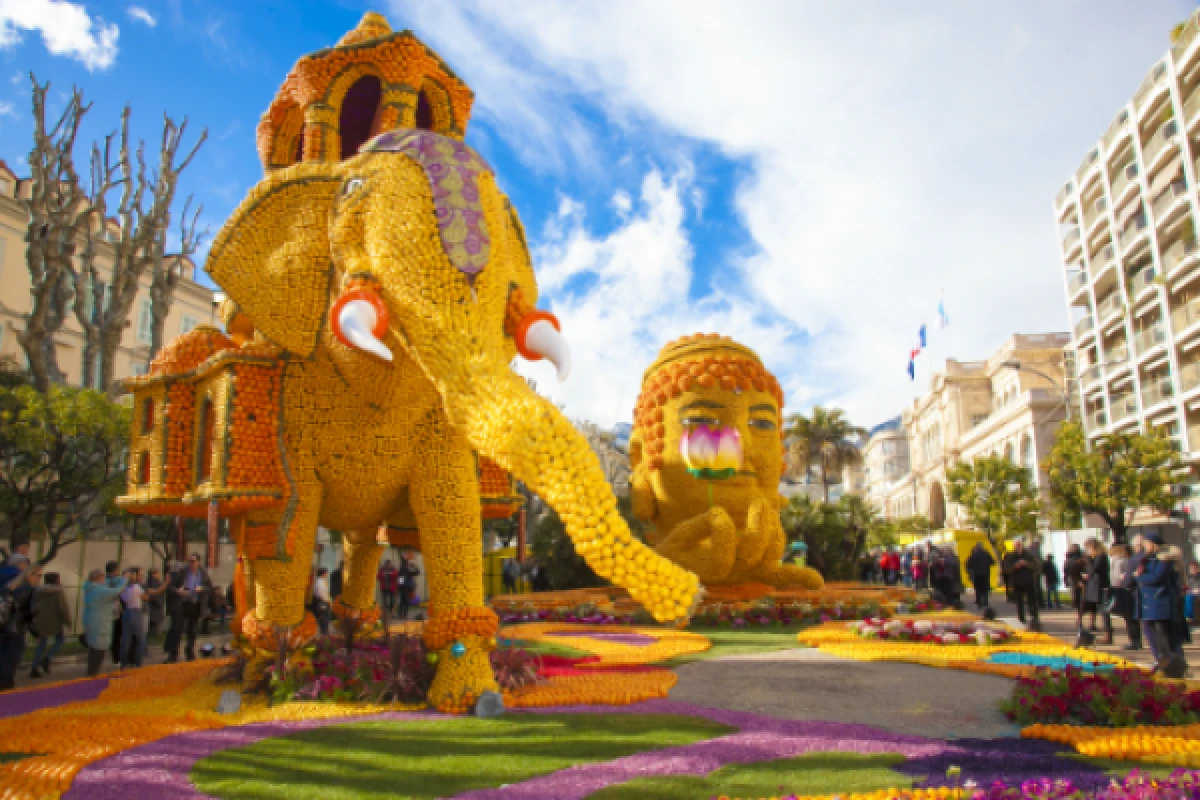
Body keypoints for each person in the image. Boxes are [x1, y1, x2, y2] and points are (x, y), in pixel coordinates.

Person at [1134, 531, 1189, 676]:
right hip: (1150, 603)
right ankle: (1163, 661)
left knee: (1164, 634)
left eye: (1145, 543)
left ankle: (1174, 664)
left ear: (1153, 544)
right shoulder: (1148, 559)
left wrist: (1139, 577)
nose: (1143, 546)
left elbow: (1156, 578)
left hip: (1162, 602)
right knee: (1153, 633)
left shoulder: (1165, 559)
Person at [165, 555, 212, 663]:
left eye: (193, 561)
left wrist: (202, 589)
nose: (191, 563)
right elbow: (170, 587)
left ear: (198, 562)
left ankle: (189, 652)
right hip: (182, 603)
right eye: (189, 561)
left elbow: (209, 588)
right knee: (177, 629)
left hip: (195, 603)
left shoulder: (203, 574)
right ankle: (173, 654)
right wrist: (178, 591)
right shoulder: (181, 572)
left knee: (192, 630)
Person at [83, 568, 127, 677]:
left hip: (92, 620)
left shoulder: (90, 586)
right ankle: (92, 675)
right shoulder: (99, 591)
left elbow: (109, 582)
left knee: (93, 648)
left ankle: (91, 673)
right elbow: (117, 590)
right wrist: (125, 579)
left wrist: (116, 578)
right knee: (99, 649)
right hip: (100, 623)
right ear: (99, 578)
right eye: (103, 578)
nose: (104, 580)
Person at [0, 554, 36, 691]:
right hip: (15, 626)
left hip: (2, 622)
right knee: (12, 655)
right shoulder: (22, 582)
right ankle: (6, 683)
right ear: (21, 565)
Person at [30, 571, 70, 678]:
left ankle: (34, 668)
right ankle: (47, 658)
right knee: (60, 640)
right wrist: (68, 621)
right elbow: (63, 608)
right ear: (56, 580)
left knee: (42, 644)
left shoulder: (37, 590)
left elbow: (32, 605)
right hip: (55, 621)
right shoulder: (58, 591)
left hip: (40, 620)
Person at [1109, 542, 1143, 651]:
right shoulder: (1120, 560)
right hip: (1121, 588)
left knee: (1130, 616)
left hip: (1125, 589)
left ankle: (1135, 641)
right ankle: (1134, 640)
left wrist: (1121, 579)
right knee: (1129, 617)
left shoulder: (1123, 561)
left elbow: (1124, 575)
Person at [1002, 539, 1041, 631]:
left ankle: (1034, 618)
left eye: (1019, 545)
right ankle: (1021, 618)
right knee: (1019, 602)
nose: (1018, 546)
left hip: (1029, 581)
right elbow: (1006, 569)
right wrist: (1015, 566)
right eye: (1016, 545)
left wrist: (1026, 564)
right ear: (1014, 546)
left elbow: (1036, 566)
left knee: (1032, 601)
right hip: (1017, 582)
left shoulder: (1028, 555)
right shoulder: (1010, 556)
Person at [1081, 538, 1114, 645]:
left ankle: (1108, 635)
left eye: (1088, 548)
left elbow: (1093, 569)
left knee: (1104, 612)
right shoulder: (1096, 557)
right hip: (1096, 588)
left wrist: (1088, 559)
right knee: (1102, 611)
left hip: (1101, 588)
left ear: (1093, 547)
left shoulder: (1101, 556)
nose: (1087, 551)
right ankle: (1107, 634)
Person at [1063, 543, 1087, 628]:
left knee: (1076, 600)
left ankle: (1078, 617)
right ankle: (1079, 617)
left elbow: (1065, 571)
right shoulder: (1081, 559)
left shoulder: (1067, 559)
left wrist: (1065, 581)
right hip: (1080, 580)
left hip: (1072, 581)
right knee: (1081, 600)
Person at [965, 542, 995, 609]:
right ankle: (986, 601)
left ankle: (979, 602)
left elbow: (969, 564)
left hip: (977, 574)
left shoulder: (974, 555)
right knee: (985, 587)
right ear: (982, 547)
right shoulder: (986, 553)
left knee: (978, 588)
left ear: (977, 547)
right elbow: (993, 562)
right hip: (986, 573)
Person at [145, 568, 166, 639]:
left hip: (156, 605)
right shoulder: (153, 582)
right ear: (153, 574)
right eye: (157, 573)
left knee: (154, 622)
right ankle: (155, 635)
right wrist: (159, 603)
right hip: (155, 606)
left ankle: (154, 634)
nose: (159, 575)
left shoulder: (152, 581)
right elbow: (154, 594)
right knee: (154, 622)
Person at [397, 555, 419, 620]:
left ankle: (401, 615)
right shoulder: (407, 570)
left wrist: (399, 587)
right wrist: (414, 566)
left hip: (404, 588)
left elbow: (400, 579)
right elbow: (417, 572)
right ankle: (403, 615)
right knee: (406, 602)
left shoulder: (402, 570)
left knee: (402, 601)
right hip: (407, 588)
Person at [312, 567, 332, 635]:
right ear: (323, 573)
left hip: (321, 601)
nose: (327, 575)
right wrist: (328, 601)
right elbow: (322, 594)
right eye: (326, 573)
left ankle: (323, 633)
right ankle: (324, 634)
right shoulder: (320, 582)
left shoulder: (320, 581)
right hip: (322, 602)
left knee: (323, 619)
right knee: (324, 619)